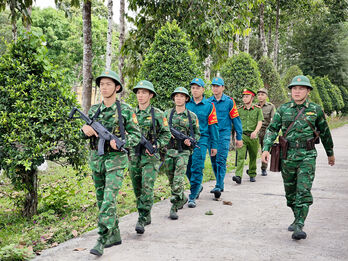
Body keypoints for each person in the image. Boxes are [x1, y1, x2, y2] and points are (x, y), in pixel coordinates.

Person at [261, 75, 335, 240]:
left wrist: (330, 153)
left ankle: (299, 224)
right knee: (290, 193)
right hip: (287, 157)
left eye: (301, 88)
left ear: (308, 91)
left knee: (303, 191)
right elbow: (272, 129)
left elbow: (325, 132)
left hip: (307, 156)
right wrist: (266, 148)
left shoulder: (315, 109)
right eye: (294, 88)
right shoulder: (283, 109)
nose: (297, 91)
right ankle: (296, 216)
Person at [81, 70, 141, 256]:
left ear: (117, 87)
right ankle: (114, 234)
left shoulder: (126, 110)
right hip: (97, 159)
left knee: (108, 199)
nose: (104, 87)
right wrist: (85, 130)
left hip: (115, 159)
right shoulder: (94, 110)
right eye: (102, 84)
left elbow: (137, 135)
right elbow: (82, 134)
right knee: (101, 200)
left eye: (108, 84)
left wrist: (122, 143)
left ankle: (101, 238)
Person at [129, 80, 171, 234]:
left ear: (151, 95)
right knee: (137, 188)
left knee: (147, 187)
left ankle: (142, 217)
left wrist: (156, 145)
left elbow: (167, 134)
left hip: (150, 157)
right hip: (134, 156)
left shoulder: (158, 114)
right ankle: (146, 215)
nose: (140, 96)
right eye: (138, 93)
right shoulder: (130, 114)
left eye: (144, 93)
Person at [164, 87, 200, 219]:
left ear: (186, 99)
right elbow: (160, 130)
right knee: (171, 179)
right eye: (176, 96)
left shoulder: (191, 116)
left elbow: (197, 133)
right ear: (174, 98)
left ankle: (174, 207)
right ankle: (181, 197)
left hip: (183, 152)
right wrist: (169, 135)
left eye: (182, 96)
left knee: (178, 179)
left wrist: (190, 141)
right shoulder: (166, 114)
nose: (179, 98)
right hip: (169, 150)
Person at [186, 77, 219, 208]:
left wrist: (214, 145)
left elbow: (213, 126)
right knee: (186, 166)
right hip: (186, 140)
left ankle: (192, 196)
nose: (194, 90)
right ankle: (197, 186)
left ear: (203, 89)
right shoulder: (186, 104)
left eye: (197, 88)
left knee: (197, 166)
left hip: (202, 139)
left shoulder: (209, 106)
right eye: (193, 88)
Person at [208, 77, 243, 198]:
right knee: (213, 160)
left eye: (217, 86)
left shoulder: (229, 101)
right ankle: (220, 183)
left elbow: (236, 119)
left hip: (223, 134)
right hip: (212, 135)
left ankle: (218, 184)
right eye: (213, 86)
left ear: (223, 87)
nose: (215, 88)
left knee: (221, 159)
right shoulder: (208, 102)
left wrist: (239, 136)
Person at [232, 88, 263, 184]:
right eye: (243, 96)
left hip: (253, 136)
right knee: (240, 156)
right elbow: (236, 123)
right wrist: (236, 136)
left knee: (253, 156)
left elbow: (260, 122)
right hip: (243, 136)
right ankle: (238, 176)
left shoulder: (257, 110)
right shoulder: (239, 110)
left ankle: (252, 173)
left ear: (252, 98)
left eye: (247, 96)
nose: (244, 98)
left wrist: (256, 131)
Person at [257, 88, 275, 176]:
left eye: (262, 95)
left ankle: (264, 168)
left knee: (265, 150)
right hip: (256, 131)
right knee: (253, 150)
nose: (260, 96)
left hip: (266, 131)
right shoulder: (254, 106)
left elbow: (273, 119)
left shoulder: (270, 106)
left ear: (266, 96)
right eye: (259, 95)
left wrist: (271, 133)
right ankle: (251, 168)